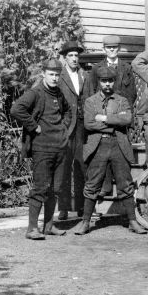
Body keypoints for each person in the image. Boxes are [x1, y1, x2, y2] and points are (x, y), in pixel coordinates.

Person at [68, 65, 146, 235]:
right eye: (104, 81)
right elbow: (89, 123)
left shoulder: (122, 100)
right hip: (98, 146)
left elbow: (126, 119)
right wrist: (113, 123)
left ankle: (133, 221)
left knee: (125, 184)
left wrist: (104, 119)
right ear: (99, 82)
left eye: (110, 81)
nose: (107, 84)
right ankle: (85, 222)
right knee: (92, 184)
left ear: (114, 82)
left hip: (118, 145)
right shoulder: (90, 101)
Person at [11, 59, 71, 240]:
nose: (54, 78)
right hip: (42, 149)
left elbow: (68, 111)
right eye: (51, 74)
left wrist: (64, 128)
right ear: (43, 74)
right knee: (40, 188)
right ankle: (31, 229)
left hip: (60, 147)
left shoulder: (59, 93)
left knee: (55, 188)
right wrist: (33, 126)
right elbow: (16, 109)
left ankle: (49, 226)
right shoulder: (35, 93)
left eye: (57, 75)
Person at [84, 35, 138, 199]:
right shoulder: (96, 68)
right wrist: (98, 111)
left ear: (119, 49)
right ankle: (106, 186)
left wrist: (120, 112)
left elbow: (132, 93)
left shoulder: (126, 68)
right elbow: (91, 91)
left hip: (120, 113)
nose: (112, 50)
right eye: (109, 48)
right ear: (104, 49)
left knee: (120, 149)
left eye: (115, 47)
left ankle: (124, 188)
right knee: (103, 147)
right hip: (101, 111)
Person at [57, 41, 86, 220]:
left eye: (76, 56)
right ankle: (64, 208)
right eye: (71, 56)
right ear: (65, 58)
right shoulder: (59, 77)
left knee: (81, 166)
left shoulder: (85, 75)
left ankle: (82, 206)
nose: (74, 59)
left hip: (82, 128)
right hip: (66, 128)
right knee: (64, 167)